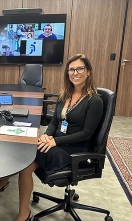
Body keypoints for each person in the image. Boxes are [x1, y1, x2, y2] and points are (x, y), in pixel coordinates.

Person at [14, 54, 103, 221]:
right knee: (26, 158)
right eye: (71, 69)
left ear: (88, 72)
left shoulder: (94, 100)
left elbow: (86, 134)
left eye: (80, 69)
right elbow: (55, 122)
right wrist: (47, 135)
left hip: (75, 150)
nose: (75, 73)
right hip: (57, 143)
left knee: (26, 155)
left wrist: (55, 141)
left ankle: (19, 209)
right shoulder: (65, 95)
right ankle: (24, 212)